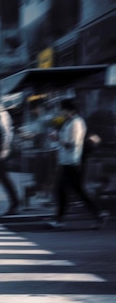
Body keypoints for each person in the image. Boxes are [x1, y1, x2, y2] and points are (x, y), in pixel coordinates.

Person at [48, 98, 108, 229]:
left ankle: (59, 220)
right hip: (67, 162)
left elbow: (72, 144)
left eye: (62, 109)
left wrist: (58, 138)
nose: (61, 112)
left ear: (69, 110)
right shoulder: (68, 122)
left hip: (73, 162)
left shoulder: (76, 123)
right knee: (75, 192)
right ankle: (99, 215)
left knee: (62, 191)